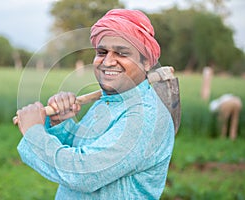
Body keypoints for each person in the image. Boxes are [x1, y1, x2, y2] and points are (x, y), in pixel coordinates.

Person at [16, 9, 175, 199]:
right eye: (102, 52)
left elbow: (83, 174)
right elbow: (81, 151)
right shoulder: (109, 101)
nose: (107, 62)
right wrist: (61, 122)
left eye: (122, 53)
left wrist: (34, 133)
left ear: (147, 62)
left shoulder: (145, 117)